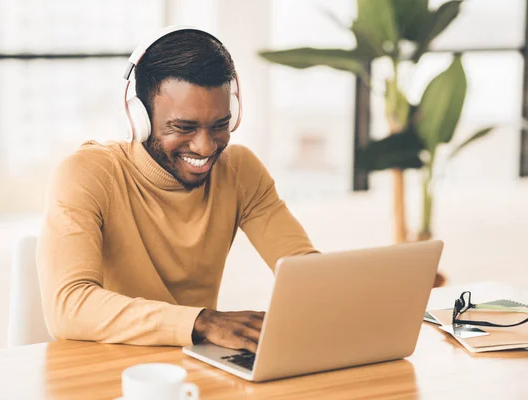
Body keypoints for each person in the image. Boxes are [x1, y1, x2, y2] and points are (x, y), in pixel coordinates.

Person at [36, 26, 318, 354]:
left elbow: (305, 273)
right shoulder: (88, 174)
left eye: (219, 125)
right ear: (137, 118)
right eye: (183, 127)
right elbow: (67, 307)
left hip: (194, 367)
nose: (205, 146)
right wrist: (202, 322)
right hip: (108, 368)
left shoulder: (239, 171)